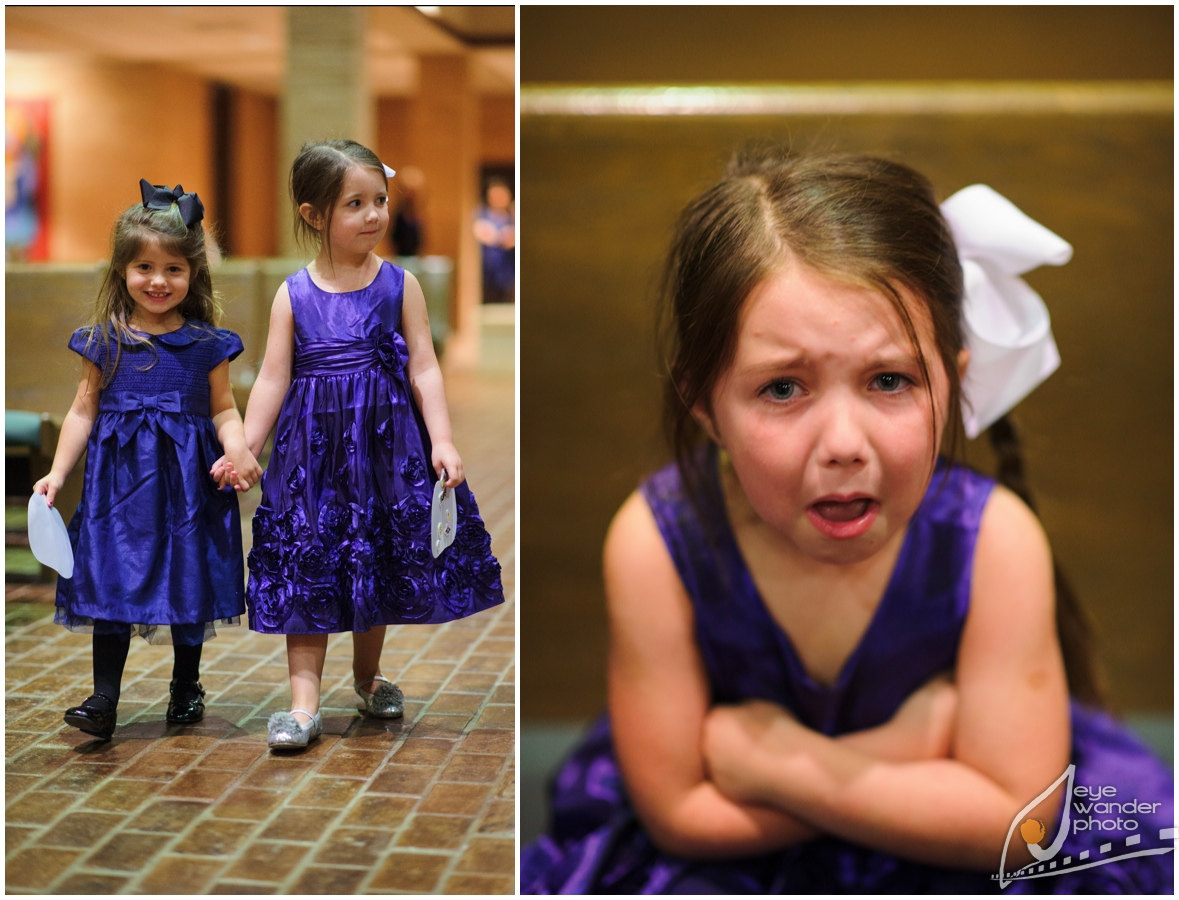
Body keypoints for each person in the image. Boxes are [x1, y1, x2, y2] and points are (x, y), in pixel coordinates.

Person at [521, 149, 1173, 893]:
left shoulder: (995, 540)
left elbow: (1017, 828)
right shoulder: (654, 543)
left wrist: (774, 764)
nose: (842, 444)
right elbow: (679, 815)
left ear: (954, 384)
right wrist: (911, 751)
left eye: (889, 380)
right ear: (705, 406)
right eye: (782, 388)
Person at [219, 139, 504, 751]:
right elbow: (272, 378)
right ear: (314, 214)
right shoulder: (293, 294)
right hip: (312, 456)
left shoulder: (401, 285)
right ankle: (303, 705)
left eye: (380, 199)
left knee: (374, 554)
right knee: (310, 561)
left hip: (384, 451)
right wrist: (247, 445)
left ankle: (367, 677)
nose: (374, 214)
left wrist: (442, 439)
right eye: (355, 203)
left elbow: (424, 365)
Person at [34, 180, 261, 743]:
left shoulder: (208, 345)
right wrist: (58, 473)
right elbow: (82, 410)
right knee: (109, 578)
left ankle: (186, 684)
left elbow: (224, 409)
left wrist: (237, 448)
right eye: (144, 268)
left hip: (188, 489)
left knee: (188, 578)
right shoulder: (104, 342)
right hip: (118, 492)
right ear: (122, 271)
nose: (158, 281)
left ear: (193, 274)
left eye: (173, 269)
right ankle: (103, 699)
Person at [474, 177, 515, 303]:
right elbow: (482, 234)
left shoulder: (512, 216)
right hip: (487, 271)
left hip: (508, 271)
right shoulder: (482, 214)